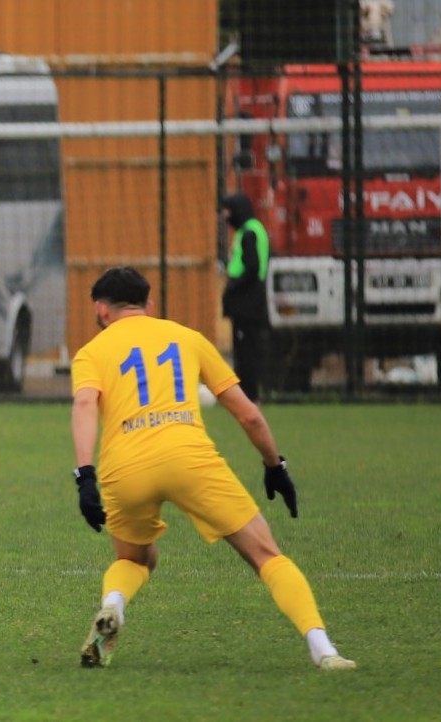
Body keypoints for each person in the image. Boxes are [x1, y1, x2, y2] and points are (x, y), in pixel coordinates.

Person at [69, 266, 354, 671]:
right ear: (150, 305)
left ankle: (113, 605)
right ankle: (323, 650)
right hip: (190, 459)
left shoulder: (91, 352)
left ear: (101, 311)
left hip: (125, 468)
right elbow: (249, 415)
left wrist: (84, 476)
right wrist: (275, 465)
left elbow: (84, 405)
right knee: (267, 555)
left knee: (135, 559)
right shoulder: (188, 338)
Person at [220, 192, 271, 402]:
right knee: (248, 348)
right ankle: (250, 394)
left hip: (247, 302)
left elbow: (252, 267)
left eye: (228, 211)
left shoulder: (249, 232)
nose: (226, 217)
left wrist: (233, 287)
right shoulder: (254, 229)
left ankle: (248, 396)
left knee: (246, 351)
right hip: (251, 300)